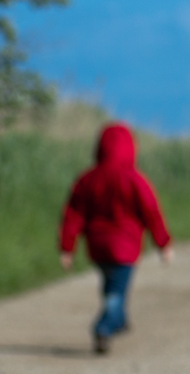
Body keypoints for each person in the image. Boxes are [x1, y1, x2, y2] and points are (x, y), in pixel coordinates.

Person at [58, 122, 174, 354]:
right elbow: (152, 212)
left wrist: (67, 247)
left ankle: (119, 319)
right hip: (125, 248)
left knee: (111, 287)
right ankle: (106, 326)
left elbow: (73, 215)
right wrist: (163, 244)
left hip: (98, 247)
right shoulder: (136, 180)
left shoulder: (87, 179)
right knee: (116, 292)